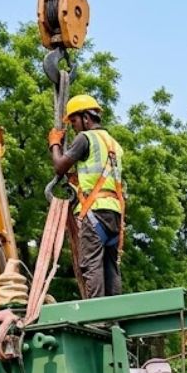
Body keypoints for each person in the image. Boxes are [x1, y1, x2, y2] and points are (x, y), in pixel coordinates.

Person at [48, 94, 125, 299]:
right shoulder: (113, 144)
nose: (74, 127)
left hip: (95, 212)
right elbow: (100, 174)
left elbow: (59, 167)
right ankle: (116, 313)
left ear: (86, 118)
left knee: (91, 264)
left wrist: (54, 144)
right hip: (114, 214)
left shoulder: (85, 138)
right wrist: (78, 180)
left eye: (74, 121)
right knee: (110, 267)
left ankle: (96, 314)